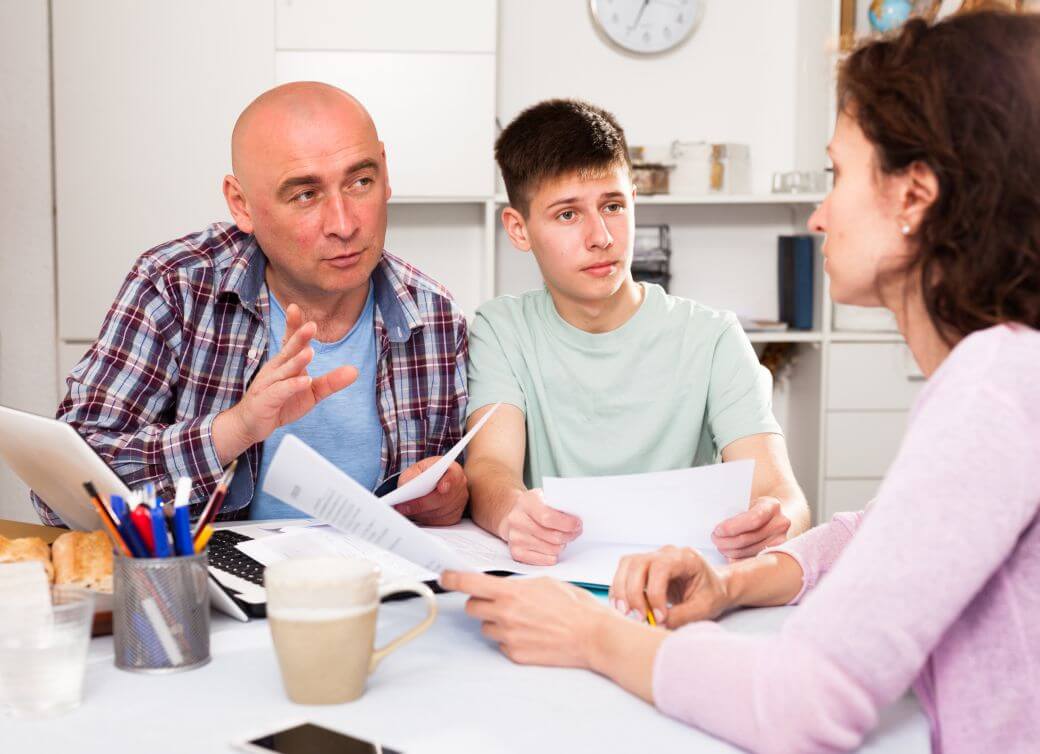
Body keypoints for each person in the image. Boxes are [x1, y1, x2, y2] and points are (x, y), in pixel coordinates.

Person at [444, 9, 1040, 753]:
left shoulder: (995, 389)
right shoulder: (1007, 371)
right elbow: (881, 534)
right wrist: (731, 584)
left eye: (837, 175)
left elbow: (800, 704)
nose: (819, 215)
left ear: (913, 196)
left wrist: (591, 637)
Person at [32, 82, 468, 526]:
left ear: (386, 174)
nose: (344, 224)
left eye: (361, 181)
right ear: (241, 204)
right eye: (305, 194)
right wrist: (232, 431)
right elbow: (57, 495)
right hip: (212, 590)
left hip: (378, 588)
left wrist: (453, 497)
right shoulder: (176, 286)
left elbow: (451, 491)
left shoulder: (434, 316)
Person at [464, 99, 810, 565]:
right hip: (553, 581)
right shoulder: (501, 330)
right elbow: (490, 468)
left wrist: (775, 518)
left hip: (682, 587)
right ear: (519, 229)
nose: (602, 237)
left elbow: (782, 493)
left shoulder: (713, 337)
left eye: (613, 205)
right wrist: (513, 512)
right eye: (568, 214)